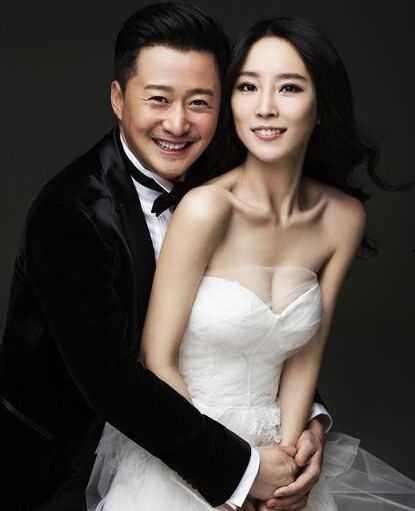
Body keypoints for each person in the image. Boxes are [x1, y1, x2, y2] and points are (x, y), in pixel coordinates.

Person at [0, 5, 329, 510]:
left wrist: (306, 420)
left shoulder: (233, 184)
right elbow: (110, 382)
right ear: (118, 98)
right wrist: (243, 473)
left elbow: (266, 315)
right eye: (158, 99)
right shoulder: (70, 211)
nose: (177, 124)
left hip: (215, 441)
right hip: (71, 469)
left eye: (200, 103)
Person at [87, 15, 415, 511]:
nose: (265, 108)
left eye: (289, 88)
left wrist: (289, 465)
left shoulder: (343, 218)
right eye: (247, 87)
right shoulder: (205, 208)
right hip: (185, 450)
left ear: (321, 105)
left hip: (274, 456)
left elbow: (305, 357)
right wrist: (227, 479)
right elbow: (158, 360)